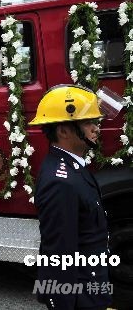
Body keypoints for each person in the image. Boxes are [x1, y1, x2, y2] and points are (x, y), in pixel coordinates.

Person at [29, 84, 113, 310]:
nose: (96, 128)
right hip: (79, 296)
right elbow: (59, 252)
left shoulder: (74, 165)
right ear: (63, 131)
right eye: (88, 123)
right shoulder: (60, 181)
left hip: (90, 285)